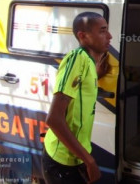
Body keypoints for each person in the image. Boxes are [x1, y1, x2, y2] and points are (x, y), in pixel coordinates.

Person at [41, 12, 112, 184]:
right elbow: (54, 119)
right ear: (83, 36)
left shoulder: (88, 62)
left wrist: (97, 74)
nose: (109, 36)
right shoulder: (75, 60)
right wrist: (90, 161)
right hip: (61, 161)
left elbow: (80, 86)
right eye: (102, 31)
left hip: (76, 156)